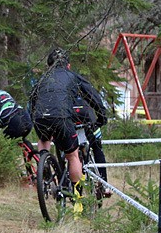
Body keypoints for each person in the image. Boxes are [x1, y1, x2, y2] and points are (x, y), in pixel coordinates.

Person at [28, 47, 107, 193]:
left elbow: (32, 99)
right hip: (61, 117)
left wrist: (34, 118)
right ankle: (77, 195)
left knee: (44, 140)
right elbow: (92, 96)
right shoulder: (72, 76)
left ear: (49, 66)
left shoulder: (42, 79)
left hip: (40, 117)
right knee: (72, 155)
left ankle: (43, 161)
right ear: (68, 65)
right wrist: (102, 117)